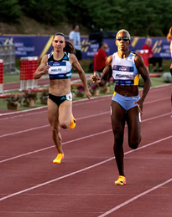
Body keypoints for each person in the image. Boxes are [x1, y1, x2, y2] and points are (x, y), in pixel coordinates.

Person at [92, 29, 151, 186]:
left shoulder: (136, 60)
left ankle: (136, 130)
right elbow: (104, 80)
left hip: (133, 100)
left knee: (133, 143)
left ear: (129, 42)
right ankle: (121, 175)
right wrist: (98, 81)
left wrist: (142, 100)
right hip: (117, 99)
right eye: (120, 39)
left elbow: (147, 80)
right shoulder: (111, 59)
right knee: (117, 137)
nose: (122, 42)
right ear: (116, 42)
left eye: (125, 39)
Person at [33, 33, 91, 163]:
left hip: (65, 96)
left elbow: (81, 72)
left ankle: (70, 118)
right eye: (56, 41)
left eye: (61, 42)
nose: (58, 44)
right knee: (54, 128)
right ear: (52, 43)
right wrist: (43, 72)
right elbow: (35, 75)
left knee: (64, 124)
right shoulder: (47, 58)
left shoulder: (70, 57)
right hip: (52, 97)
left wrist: (86, 89)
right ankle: (60, 153)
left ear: (64, 44)